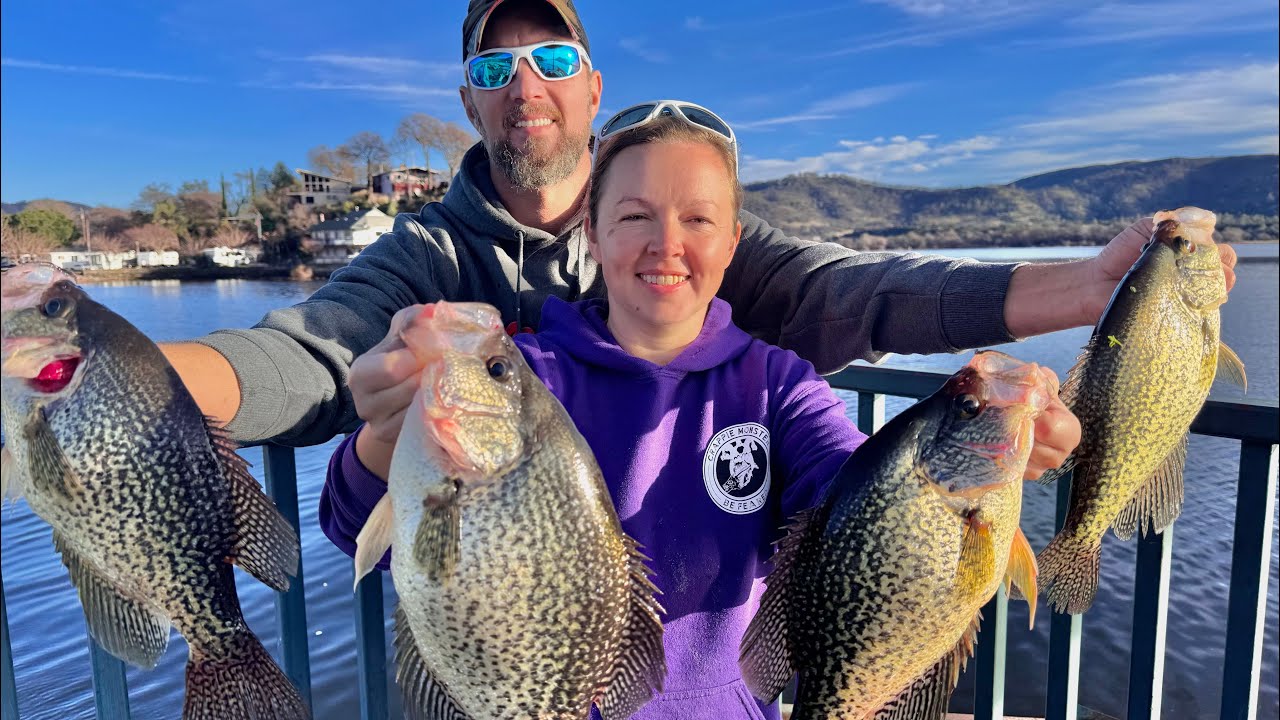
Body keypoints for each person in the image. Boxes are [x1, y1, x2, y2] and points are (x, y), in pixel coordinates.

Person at [157, 0, 1233, 455]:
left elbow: (854, 292)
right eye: (493, 66)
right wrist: (114, 383)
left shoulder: (683, 237)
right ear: (472, 103)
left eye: (552, 58)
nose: (523, 80)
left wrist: (1090, 291)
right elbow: (309, 353)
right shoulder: (428, 257)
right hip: (504, 620)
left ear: (590, 90)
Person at [320, 102, 1077, 719]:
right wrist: (386, 434)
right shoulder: (527, 381)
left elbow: (857, 495)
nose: (666, 245)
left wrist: (977, 462)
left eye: (698, 220)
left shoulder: (778, 384)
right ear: (593, 234)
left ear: (733, 242)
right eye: (634, 218)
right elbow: (360, 528)